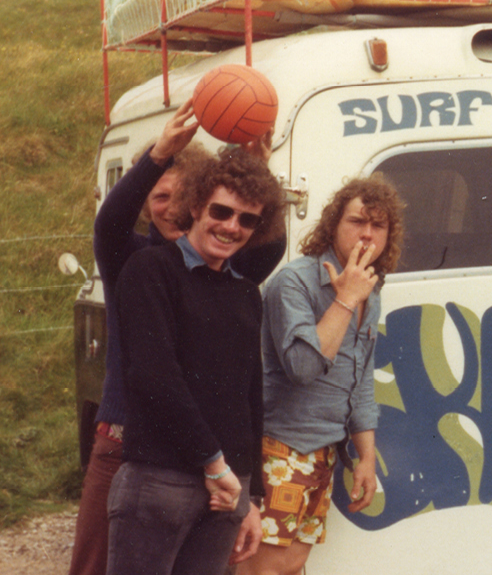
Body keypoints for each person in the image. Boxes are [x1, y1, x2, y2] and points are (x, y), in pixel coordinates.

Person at [74, 104, 283, 575]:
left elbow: (263, 238)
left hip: (210, 460)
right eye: (159, 196)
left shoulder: (231, 276)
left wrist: (252, 174)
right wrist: (159, 155)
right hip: (132, 439)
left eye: (177, 195)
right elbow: (109, 222)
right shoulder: (135, 259)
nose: (168, 208)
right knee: (91, 565)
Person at [240, 177, 403, 575]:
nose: (367, 234)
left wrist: (366, 457)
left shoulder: (369, 291)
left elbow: (361, 380)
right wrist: (345, 299)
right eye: (357, 221)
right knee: (263, 568)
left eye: (378, 225)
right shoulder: (295, 282)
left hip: (323, 452)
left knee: (293, 564)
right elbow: (302, 368)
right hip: (279, 446)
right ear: (333, 226)